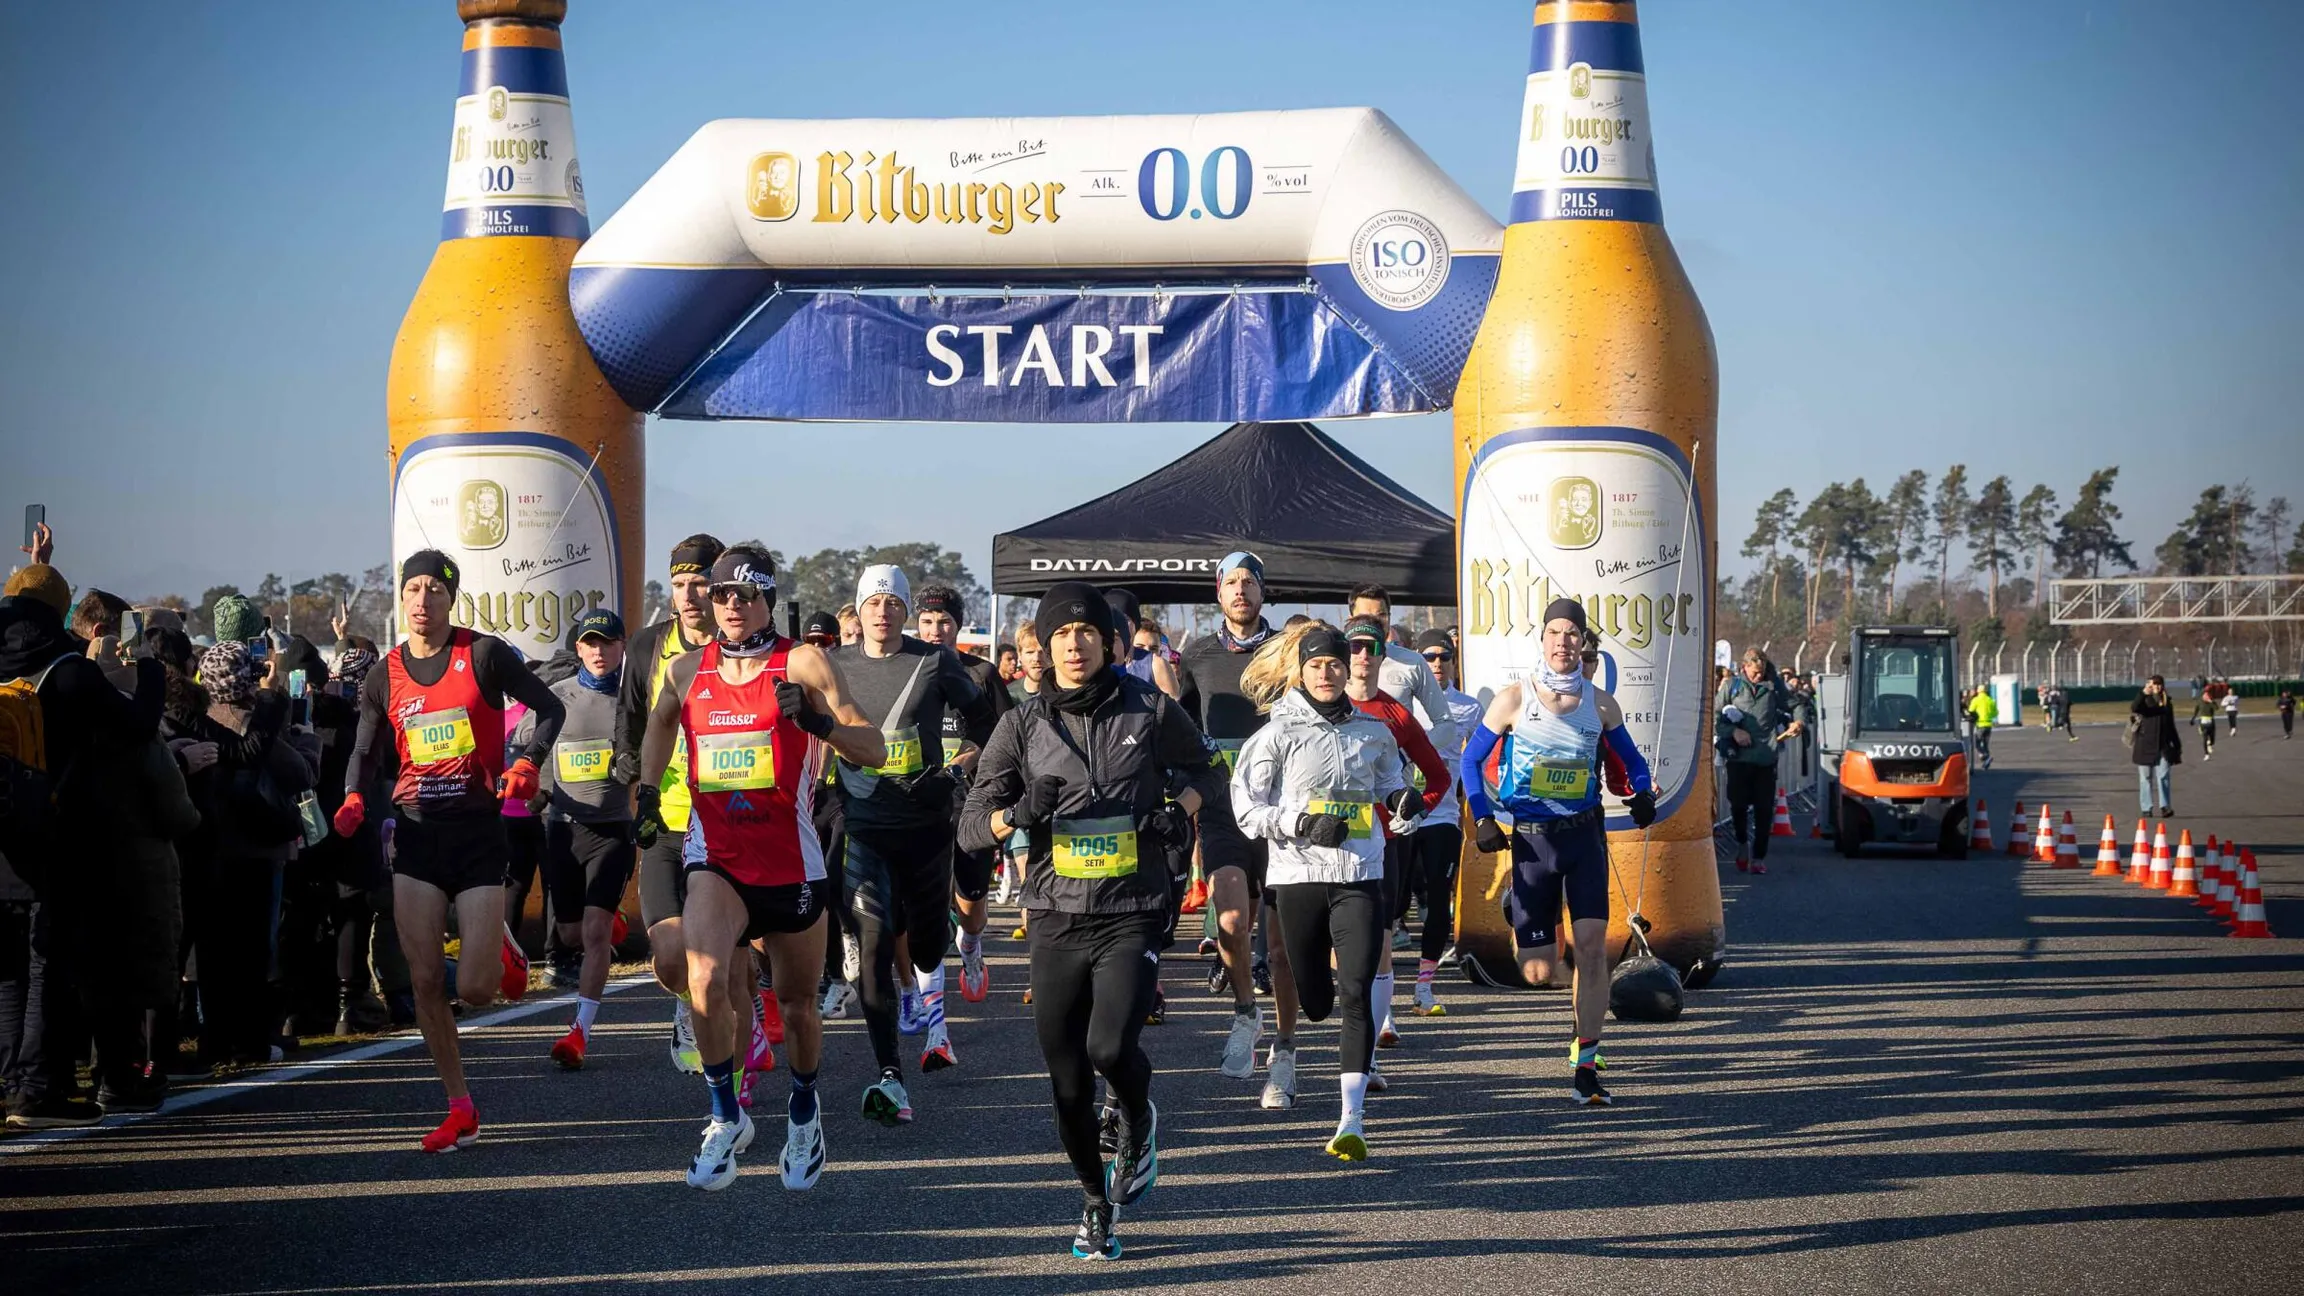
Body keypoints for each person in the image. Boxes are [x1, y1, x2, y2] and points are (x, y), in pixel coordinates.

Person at [959, 581, 1241, 1260]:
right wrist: (1016, 817)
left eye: (1086, 632)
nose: (1075, 643)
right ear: (1043, 650)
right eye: (1060, 635)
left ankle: (1138, 1116)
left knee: (1110, 1048)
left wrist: (1183, 809)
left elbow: (1212, 771)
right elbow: (972, 829)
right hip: (1054, 917)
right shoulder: (1021, 725)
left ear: (1108, 642)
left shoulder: (1149, 706)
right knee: (1066, 1085)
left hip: (1131, 910)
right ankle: (1093, 1199)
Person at [635, 546, 884, 1191]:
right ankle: (725, 1116)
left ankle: (804, 1111)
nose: (732, 606)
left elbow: (874, 748)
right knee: (706, 977)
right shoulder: (689, 671)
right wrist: (644, 787)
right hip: (716, 858)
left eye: (746, 595)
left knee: (800, 1008)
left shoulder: (802, 662)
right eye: (722, 595)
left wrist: (821, 723)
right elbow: (660, 724)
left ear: (769, 597)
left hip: (792, 863)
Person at [336, 550, 565, 1152]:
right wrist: (355, 796)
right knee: (425, 977)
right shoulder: (383, 673)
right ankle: (458, 1103)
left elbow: (551, 708)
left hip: (476, 833)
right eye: (411, 588)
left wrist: (526, 762)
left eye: (433, 589)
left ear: (450, 597)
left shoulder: (483, 654)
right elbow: (363, 747)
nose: (421, 599)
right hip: (414, 832)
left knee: (480, 991)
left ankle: (503, 951)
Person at [1231, 622, 1419, 1158]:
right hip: (1297, 877)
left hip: (1360, 873)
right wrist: (1299, 825)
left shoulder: (1373, 731)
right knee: (1316, 1000)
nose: (1327, 672)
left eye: (1335, 663)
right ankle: (1309, 1023)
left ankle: (1351, 1120)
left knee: (1357, 991)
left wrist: (1405, 804)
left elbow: (1392, 788)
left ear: (1348, 667)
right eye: (1316, 665)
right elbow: (1247, 808)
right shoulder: (1276, 734)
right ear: (1301, 670)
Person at [1461, 598, 1658, 1107]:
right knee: (1538, 970)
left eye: (1572, 633)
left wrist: (1642, 795)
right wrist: (1483, 818)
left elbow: (1632, 762)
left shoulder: (1602, 704)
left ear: (1583, 643)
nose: (1563, 641)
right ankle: (1529, 917)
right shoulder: (1512, 699)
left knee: (1593, 947)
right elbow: (1470, 762)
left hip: (1583, 835)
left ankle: (1586, 1062)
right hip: (1531, 839)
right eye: (1554, 632)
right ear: (1542, 640)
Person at [832, 565, 997, 1114]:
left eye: (893, 603)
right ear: (858, 611)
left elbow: (986, 721)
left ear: (904, 611)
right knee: (875, 947)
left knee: (926, 945)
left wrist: (961, 766)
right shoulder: (833, 665)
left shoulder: (934, 661)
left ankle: (938, 976)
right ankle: (889, 1075)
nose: (883, 612)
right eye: (873, 603)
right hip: (866, 829)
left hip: (927, 830)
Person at [1173, 552, 1285, 1091]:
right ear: (1218, 594)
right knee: (1233, 922)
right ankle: (1246, 1012)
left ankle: (1284, 1048)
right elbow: (1182, 725)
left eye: (1249, 582)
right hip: (1222, 808)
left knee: (1280, 946)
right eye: (1231, 583)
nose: (1240, 590)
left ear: (1264, 592)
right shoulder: (1196, 653)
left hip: (1281, 810)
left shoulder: (1288, 649)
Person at [612, 534, 723, 1074]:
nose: (689, 595)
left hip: (728, 823)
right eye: (679, 585)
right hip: (667, 817)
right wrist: (634, 792)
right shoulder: (648, 646)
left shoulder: (742, 646)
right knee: (671, 954)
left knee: (730, 962)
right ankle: (685, 1005)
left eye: (700, 583)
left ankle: (733, 1043)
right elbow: (629, 724)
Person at [521, 609, 634, 1071]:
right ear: (579, 649)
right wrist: (535, 792)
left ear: (621, 646)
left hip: (611, 830)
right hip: (563, 827)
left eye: (607, 642)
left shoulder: (633, 701)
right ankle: (611, 921)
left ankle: (580, 1032)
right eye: (590, 643)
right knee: (569, 932)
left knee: (592, 934)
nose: (599, 651)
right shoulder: (555, 698)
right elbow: (534, 753)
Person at [1340, 616, 1449, 1065]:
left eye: (1371, 648)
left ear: (1384, 655)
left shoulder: (1397, 714)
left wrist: (1417, 806)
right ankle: (1353, 1031)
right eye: (1355, 648)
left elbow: (1437, 776)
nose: (1363, 656)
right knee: (1344, 953)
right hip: (1331, 846)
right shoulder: (1318, 707)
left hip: (1385, 839)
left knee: (1381, 941)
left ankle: (1372, 1045)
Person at [1407, 628, 1480, 1014]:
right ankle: (1380, 996)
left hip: (1443, 815)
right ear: (1418, 660)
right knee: (1392, 902)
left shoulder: (1469, 707)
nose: (1437, 663)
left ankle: (1424, 988)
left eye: (1444, 656)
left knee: (1438, 900)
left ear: (1454, 662)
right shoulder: (1401, 700)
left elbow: (1483, 758)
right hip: (1399, 815)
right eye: (1430, 656)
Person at [1715, 648, 1808, 875]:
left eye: (1762, 672)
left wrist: (1799, 723)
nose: (1759, 676)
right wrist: (1734, 731)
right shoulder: (1732, 687)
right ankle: (1742, 844)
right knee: (1737, 805)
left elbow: (1796, 705)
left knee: (1764, 809)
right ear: (1745, 667)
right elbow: (1716, 717)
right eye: (1755, 672)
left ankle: (1758, 857)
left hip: (1766, 758)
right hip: (1739, 758)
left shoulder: (1773, 687)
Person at [1345, 585, 1460, 759]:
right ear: (1351, 619)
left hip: (1396, 780)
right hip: (1348, 779)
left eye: (1381, 615)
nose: (1376, 622)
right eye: (1366, 616)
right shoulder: (1334, 661)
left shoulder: (1412, 662)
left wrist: (1407, 753)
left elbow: (1446, 726)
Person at [1103, 588, 1181, 701]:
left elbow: (1177, 715)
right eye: (1110, 617)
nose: (1116, 624)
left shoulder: (1156, 665)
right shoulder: (1090, 663)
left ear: (1136, 625)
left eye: (1124, 618)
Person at [2130, 676, 2182, 817]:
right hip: (2145, 745)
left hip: (2163, 745)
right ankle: (2146, 807)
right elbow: (2135, 707)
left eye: (2159, 684)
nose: (2157, 687)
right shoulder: (2145, 700)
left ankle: (2165, 806)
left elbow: (2171, 725)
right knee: (2145, 778)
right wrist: (2143, 693)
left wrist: (2177, 746)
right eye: (2154, 684)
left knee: (2163, 776)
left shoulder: (2167, 702)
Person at [1965, 685, 1998, 770]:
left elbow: (1971, 710)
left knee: (1977, 743)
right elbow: (1996, 713)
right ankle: (1986, 762)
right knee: (1986, 744)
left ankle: (1985, 756)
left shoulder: (1976, 700)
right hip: (1988, 725)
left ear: (1978, 691)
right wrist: (1989, 715)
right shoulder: (1990, 700)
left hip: (1980, 724)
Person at [2190, 686, 2218, 761]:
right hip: (2203, 722)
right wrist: (2193, 719)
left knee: (2212, 739)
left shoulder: (2211, 701)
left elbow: (2216, 708)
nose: (2206, 696)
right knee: (2204, 738)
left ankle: (2210, 743)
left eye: (2207, 695)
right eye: (2205, 695)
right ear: (2202, 695)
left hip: (2211, 722)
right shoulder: (2199, 702)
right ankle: (2206, 754)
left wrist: (2211, 701)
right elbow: (2196, 710)